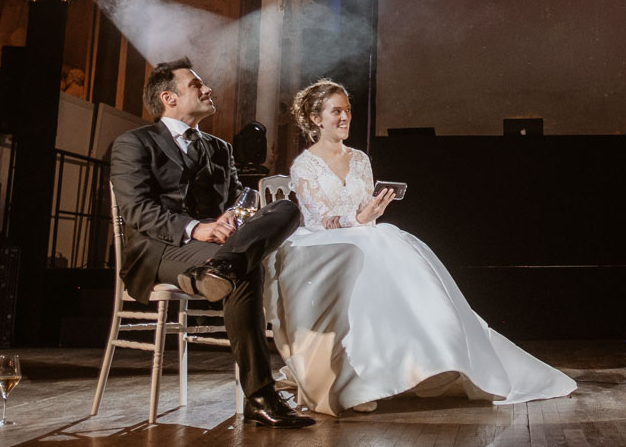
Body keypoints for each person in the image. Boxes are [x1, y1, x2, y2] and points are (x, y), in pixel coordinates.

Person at [260, 79, 577, 416]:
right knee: (374, 246)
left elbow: (364, 209)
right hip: (321, 241)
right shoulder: (305, 164)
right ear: (315, 118)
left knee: (391, 241)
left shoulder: (360, 160)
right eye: (336, 111)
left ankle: (428, 355)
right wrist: (357, 219)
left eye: (348, 111)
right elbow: (321, 218)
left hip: (363, 234)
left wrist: (372, 211)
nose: (344, 117)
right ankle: (359, 380)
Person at [109, 57, 314, 430]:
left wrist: (235, 215)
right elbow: (137, 211)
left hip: (216, 249)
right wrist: (195, 228)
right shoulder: (134, 143)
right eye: (196, 85)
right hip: (160, 250)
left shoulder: (219, 148)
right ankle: (260, 395)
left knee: (285, 208)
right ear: (169, 98)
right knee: (245, 267)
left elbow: (237, 198)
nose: (208, 90)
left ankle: (217, 270)